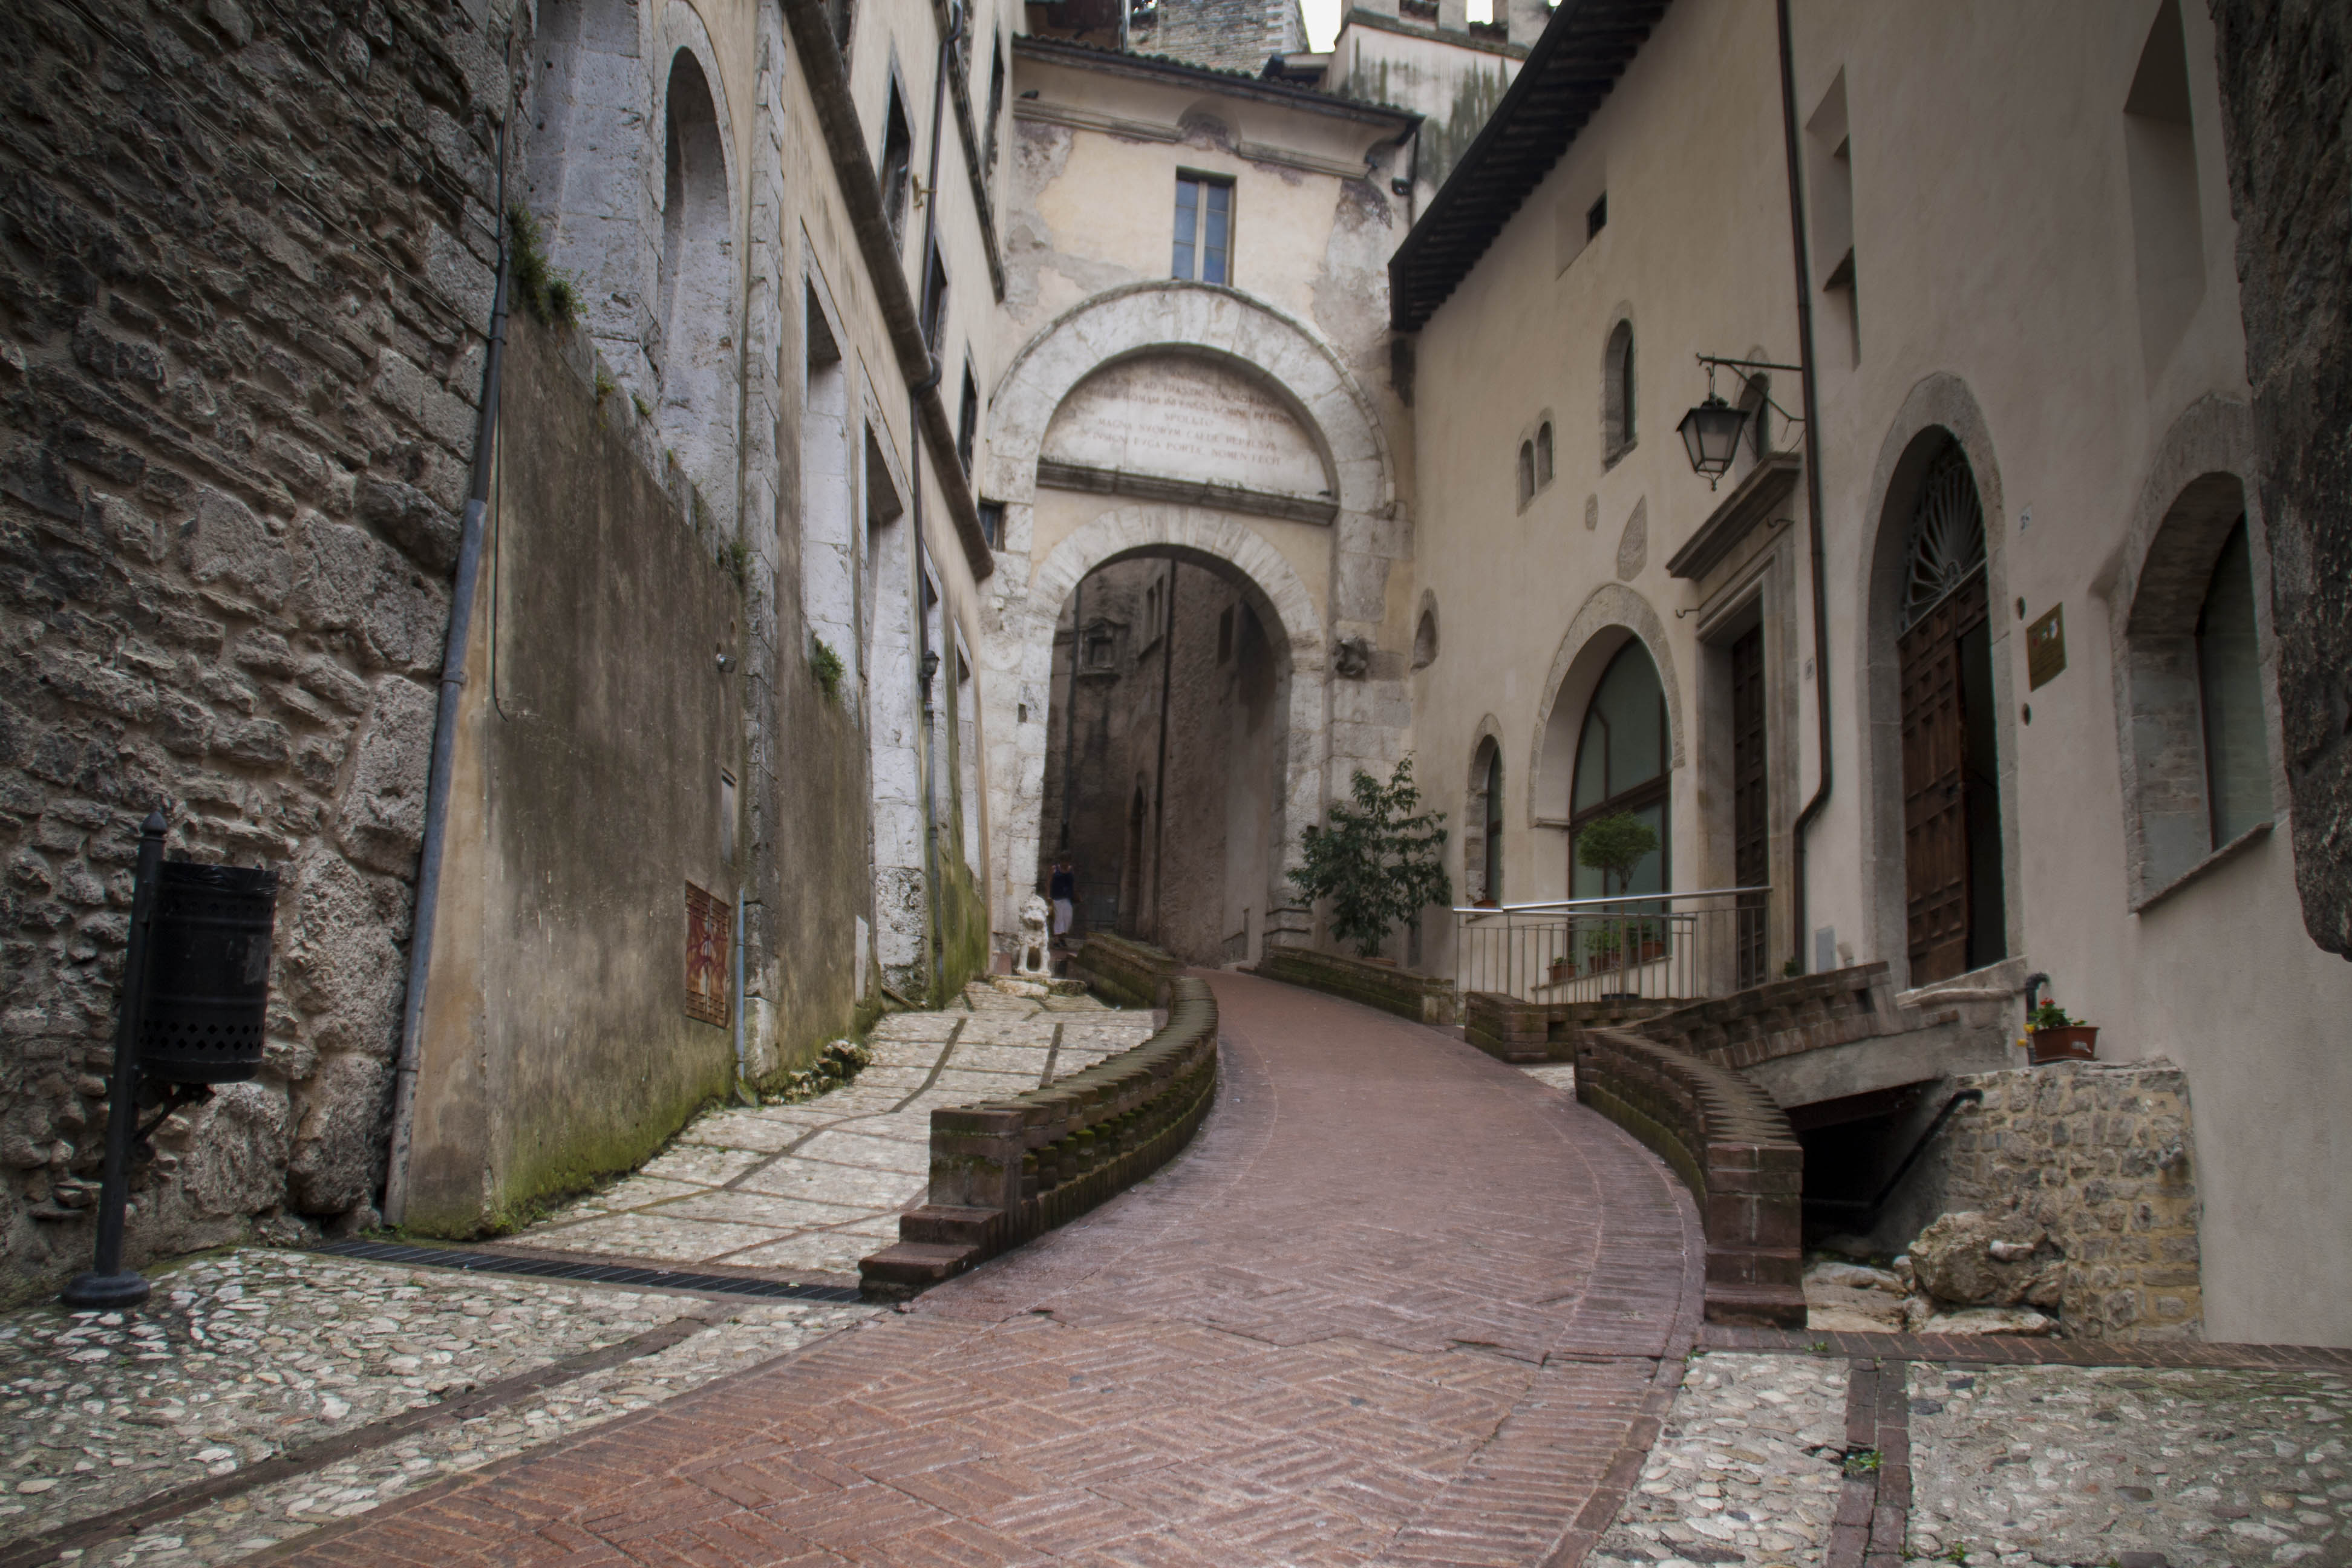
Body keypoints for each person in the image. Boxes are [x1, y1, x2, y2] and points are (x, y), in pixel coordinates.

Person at [1048, 860, 1076, 941]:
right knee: (1058, 918)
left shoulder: (1071, 869)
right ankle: (1057, 939)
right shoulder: (1055, 869)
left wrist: (1075, 892)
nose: (1065, 863)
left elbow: (1074, 882)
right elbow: (1049, 882)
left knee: (1068, 918)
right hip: (1057, 897)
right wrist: (1048, 895)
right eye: (1064, 860)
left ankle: (1062, 937)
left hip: (1067, 897)